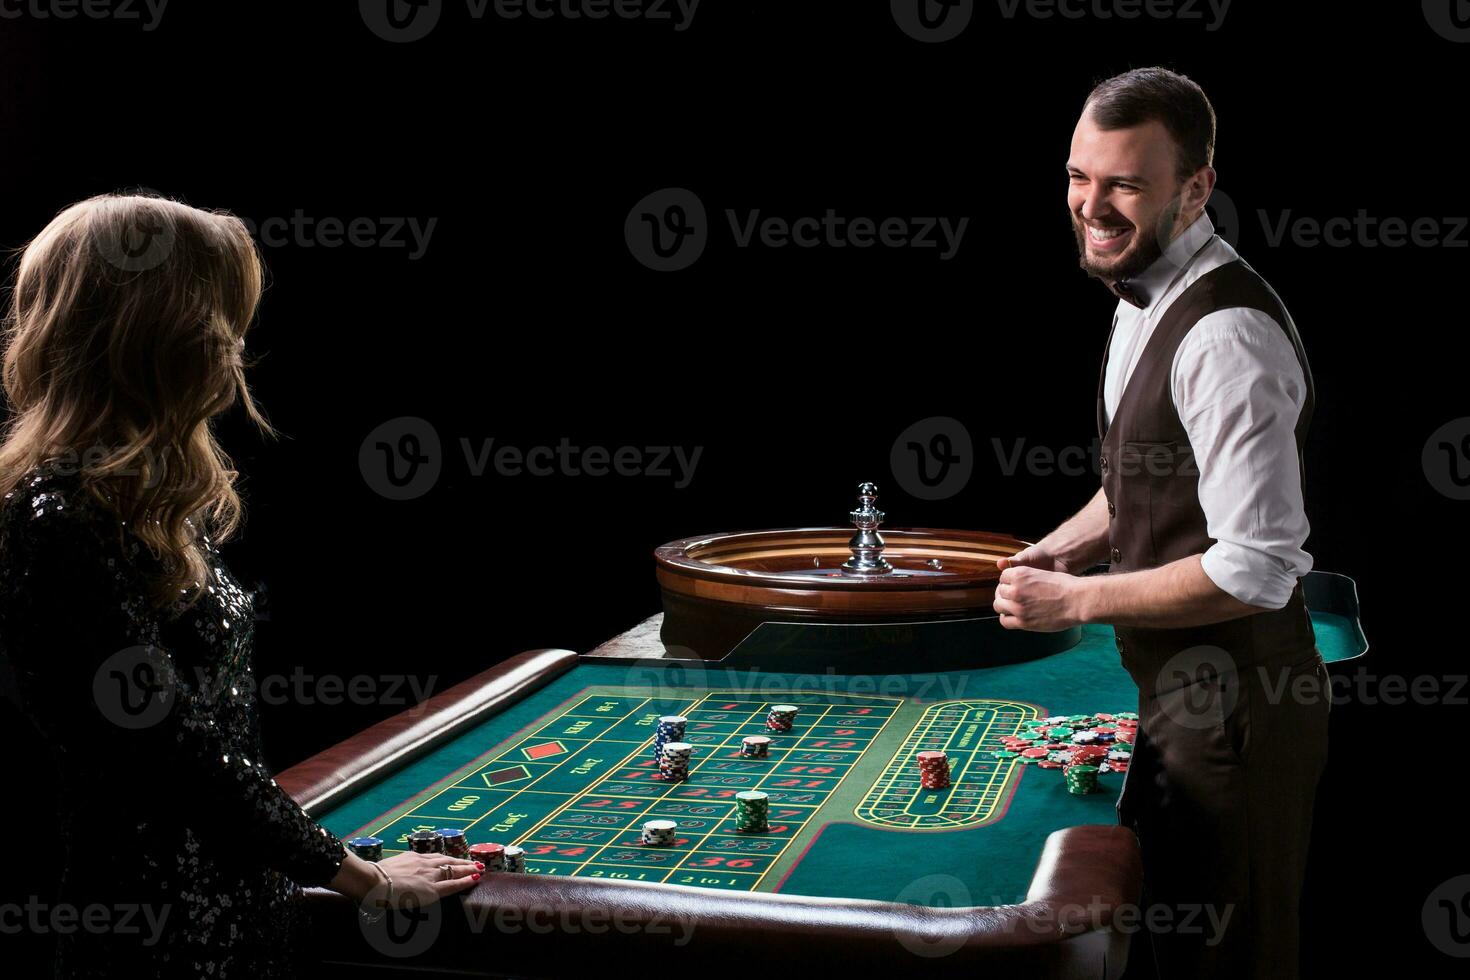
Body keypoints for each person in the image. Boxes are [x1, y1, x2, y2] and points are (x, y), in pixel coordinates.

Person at [0, 193, 481, 978]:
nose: (234, 346)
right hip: (157, 938)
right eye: (218, 318)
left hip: (237, 908)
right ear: (152, 329)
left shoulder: (139, 501)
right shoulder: (57, 515)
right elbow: (173, 750)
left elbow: (218, 739)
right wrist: (359, 877)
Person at [990, 68, 1330, 979]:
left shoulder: (1226, 337)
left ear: (1196, 188)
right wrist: (1054, 551)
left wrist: (1073, 601)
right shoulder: (1143, 290)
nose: (1091, 206)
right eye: (1078, 177)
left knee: (1231, 964)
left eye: (1125, 185)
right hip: (1176, 695)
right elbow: (1139, 481)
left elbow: (1254, 566)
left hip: (1237, 715)